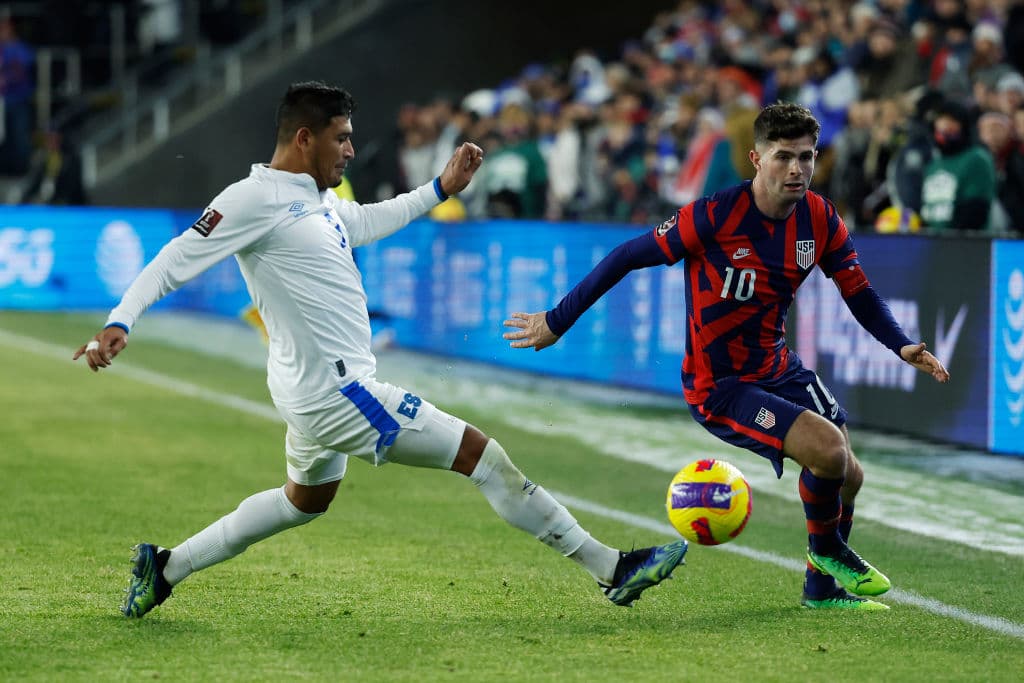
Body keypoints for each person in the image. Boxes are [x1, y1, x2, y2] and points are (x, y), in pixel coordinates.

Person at [73, 81, 686, 619]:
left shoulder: (318, 200)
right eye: (341, 138)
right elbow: (175, 258)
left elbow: (363, 221)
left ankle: (166, 568)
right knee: (483, 456)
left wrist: (439, 188)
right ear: (304, 138)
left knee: (302, 501)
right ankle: (611, 568)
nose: (351, 149)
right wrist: (120, 321)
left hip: (308, 389)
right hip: (340, 393)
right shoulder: (249, 199)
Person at [504, 102, 950, 611]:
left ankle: (821, 590)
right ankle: (828, 551)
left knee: (850, 475)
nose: (797, 169)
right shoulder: (715, 217)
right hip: (720, 385)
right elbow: (627, 256)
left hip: (777, 366)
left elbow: (858, 290)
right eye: (784, 157)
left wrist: (901, 344)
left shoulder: (820, 218)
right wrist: (557, 321)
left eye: (806, 157)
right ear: (756, 159)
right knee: (828, 451)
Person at [919, 99, 996, 232]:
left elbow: (976, 210)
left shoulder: (976, 158)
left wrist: (950, 239)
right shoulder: (933, 164)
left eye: (952, 121)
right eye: (941, 120)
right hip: (931, 245)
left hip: (964, 244)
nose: (945, 126)